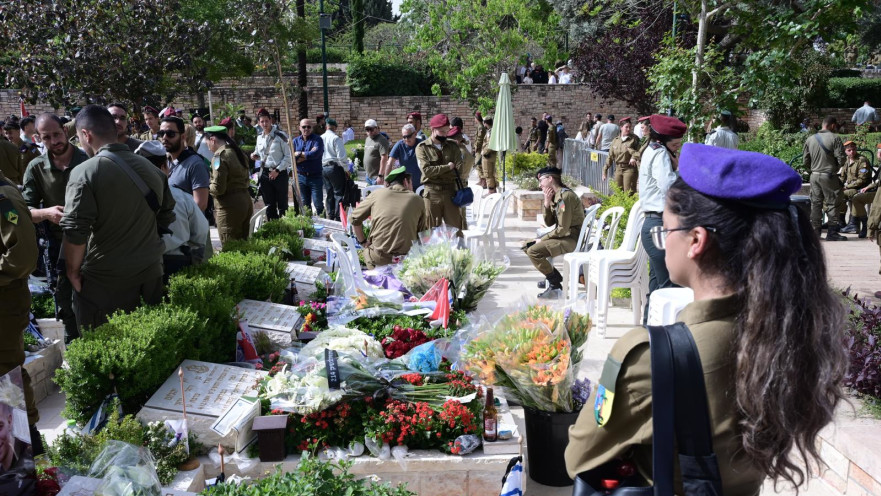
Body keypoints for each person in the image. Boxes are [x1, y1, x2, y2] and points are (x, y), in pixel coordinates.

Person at [566, 143, 847, 496]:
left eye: (664, 231)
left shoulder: (650, 355)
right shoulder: (790, 328)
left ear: (696, 240)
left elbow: (579, 457)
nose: (663, 243)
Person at [60, 105, 174, 329]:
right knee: (151, 342)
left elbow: (75, 230)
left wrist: (72, 273)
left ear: (86, 135)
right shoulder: (152, 169)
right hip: (150, 271)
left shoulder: (84, 172)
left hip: (106, 281)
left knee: (107, 351)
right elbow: (166, 215)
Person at [22, 114, 89, 343]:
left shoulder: (88, 158)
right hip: (60, 247)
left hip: (95, 243)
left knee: (100, 299)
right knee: (66, 304)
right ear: (38, 138)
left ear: (65, 131)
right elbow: (24, 211)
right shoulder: (36, 168)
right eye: (47, 137)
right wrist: (46, 213)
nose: (54, 140)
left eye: (57, 134)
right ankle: (76, 350)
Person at [0, 168, 42, 456]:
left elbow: (23, 256)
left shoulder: (3, 197)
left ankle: (28, 449)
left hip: (4, 304)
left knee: (7, 379)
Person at [135, 141, 208, 282]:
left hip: (140, 266)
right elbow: (201, 233)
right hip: (177, 263)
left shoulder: (128, 196)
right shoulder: (181, 197)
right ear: (164, 167)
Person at [638, 114, 686, 322]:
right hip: (658, 224)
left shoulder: (653, 150)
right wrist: (679, 172)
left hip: (655, 224)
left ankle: (649, 330)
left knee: (657, 285)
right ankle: (664, 337)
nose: (677, 149)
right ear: (663, 141)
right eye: (675, 145)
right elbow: (667, 186)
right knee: (669, 287)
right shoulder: (660, 155)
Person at [351, 166, 428, 269]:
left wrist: (363, 242)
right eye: (411, 184)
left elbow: (353, 219)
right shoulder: (417, 200)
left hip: (377, 259)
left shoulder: (377, 194)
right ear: (405, 182)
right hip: (406, 263)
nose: (412, 188)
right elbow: (423, 235)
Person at [526, 167, 585, 299]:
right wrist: (547, 203)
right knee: (528, 246)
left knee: (533, 251)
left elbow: (562, 229)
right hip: (565, 236)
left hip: (571, 238)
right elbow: (549, 223)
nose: (539, 184)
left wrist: (543, 239)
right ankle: (553, 276)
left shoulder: (565, 197)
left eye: (541, 180)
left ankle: (554, 284)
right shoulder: (557, 195)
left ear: (550, 179)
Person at [204, 125, 253, 247]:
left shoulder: (219, 156)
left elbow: (219, 189)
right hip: (245, 201)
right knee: (244, 244)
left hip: (229, 207)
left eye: (207, 144)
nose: (208, 148)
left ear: (213, 140)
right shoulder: (238, 152)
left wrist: (205, 187)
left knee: (230, 246)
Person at [415, 114, 465, 232]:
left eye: (446, 131)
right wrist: (448, 167)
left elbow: (459, 169)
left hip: (450, 192)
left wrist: (436, 171)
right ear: (433, 129)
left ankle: (457, 251)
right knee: (430, 231)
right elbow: (426, 171)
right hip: (432, 194)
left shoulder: (452, 146)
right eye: (442, 131)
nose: (445, 134)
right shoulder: (422, 148)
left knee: (455, 230)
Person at [804, 116, 847, 241]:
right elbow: (841, 158)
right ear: (833, 125)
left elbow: (805, 160)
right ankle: (832, 232)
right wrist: (834, 168)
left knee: (816, 203)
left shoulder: (810, 139)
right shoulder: (835, 138)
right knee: (833, 202)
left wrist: (814, 169)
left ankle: (816, 232)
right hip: (828, 175)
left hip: (814, 175)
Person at [160, 117, 210, 213]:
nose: (164, 138)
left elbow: (200, 204)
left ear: (183, 137)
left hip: (188, 226)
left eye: (170, 134)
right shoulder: (165, 162)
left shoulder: (195, 164)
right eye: (161, 134)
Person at [252, 109, 292, 220]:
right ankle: (273, 227)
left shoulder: (281, 136)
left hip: (279, 173)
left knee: (282, 205)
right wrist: (254, 155)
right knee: (269, 205)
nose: (264, 124)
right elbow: (259, 152)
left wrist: (277, 170)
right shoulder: (259, 137)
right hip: (265, 173)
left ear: (271, 121)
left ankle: (285, 229)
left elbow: (288, 157)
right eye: (262, 121)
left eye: (266, 121)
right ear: (259, 123)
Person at [838, 140, 872, 235]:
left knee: (841, 195)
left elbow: (862, 180)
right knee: (835, 193)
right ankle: (840, 222)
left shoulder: (862, 160)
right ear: (845, 151)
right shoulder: (847, 160)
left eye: (853, 149)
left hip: (861, 188)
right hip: (850, 187)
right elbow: (842, 176)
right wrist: (839, 186)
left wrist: (847, 187)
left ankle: (853, 224)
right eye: (849, 150)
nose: (852, 152)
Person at [292, 118, 325, 215]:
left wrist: (299, 154)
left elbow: (316, 154)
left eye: (308, 127)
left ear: (312, 128)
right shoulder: (295, 141)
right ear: (299, 128)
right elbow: (292, 157)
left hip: (315, 176)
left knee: (318, 203)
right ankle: (309, 224)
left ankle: (323, 221)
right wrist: (307, 154)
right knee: (305, 204)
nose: (306, 129)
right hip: (301, 177)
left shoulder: (317, 139)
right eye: (304, 127)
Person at [849, 143, 881, 239]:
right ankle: (852, 223)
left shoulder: (861, 160)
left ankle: (865, 225)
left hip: (877, 193)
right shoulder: (848, 161)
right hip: (873, 189)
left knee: (857, 198)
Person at [321, 118, 348, 221]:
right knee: (338, 193)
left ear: (326, 127)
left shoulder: (321, 138)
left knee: (329, 193)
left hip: (324, 168)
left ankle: (330, 214)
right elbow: (341, 157)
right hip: (334, 167)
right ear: (335, 128)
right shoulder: (335, 138)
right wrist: (346, 169)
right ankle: (338, 216)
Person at [604, 117, 641, 194]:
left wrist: (634, 157)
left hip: (629, 168)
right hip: (618, 169)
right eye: (626, 127)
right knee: (618, 192)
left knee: (629, 193)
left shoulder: (634, 139)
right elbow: (610, 156)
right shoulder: (616, 140)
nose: (628, 129)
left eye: (630, 127)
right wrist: (605, 169)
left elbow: (639, 151)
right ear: (621, 127)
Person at [389, 124, 423, 190]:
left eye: (409, 136)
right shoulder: (400, 145)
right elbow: (389, 163)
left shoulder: (421, 145)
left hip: (421, 184)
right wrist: (386, 180)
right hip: (406, 185)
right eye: (404, 137)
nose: (406, 139)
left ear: (415, 134)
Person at [363, 119, 390, 184]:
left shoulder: (382, 140)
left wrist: (380, 175)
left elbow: (384, 158)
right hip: (368, 175)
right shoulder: (368, 139)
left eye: (371, 129)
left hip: (376, 177)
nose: (369, 131)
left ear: (377, 128)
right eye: (367, 129)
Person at [481, 118, 499, 193]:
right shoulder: (492, 131)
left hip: (488, 155)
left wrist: (484, 152)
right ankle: (492, 189)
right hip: (490, 155)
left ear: (485, 123)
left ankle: (491, 191)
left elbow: (489, 144)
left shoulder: (490, 132)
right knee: (490, 173)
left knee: (488, 173)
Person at [472, 112, 487, 186]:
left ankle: (483, 182)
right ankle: (481, 180)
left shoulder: (480, 127)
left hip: (479, 149)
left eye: (475, 118)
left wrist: (476, 148)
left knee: (479, 164)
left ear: (477, 118)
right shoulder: (480, 126)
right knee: (479, 164)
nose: (474, 120)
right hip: (480, 148)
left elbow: (479, 139)